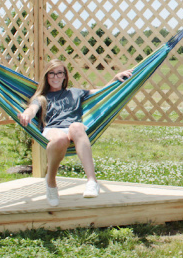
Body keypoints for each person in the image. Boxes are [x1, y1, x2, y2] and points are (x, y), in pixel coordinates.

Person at [18, 59, 132, 207]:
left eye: (60, 73)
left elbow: (102, 93)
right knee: (60, 138)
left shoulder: (75, 93)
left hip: (73, 130)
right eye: (51, 73)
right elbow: (32, 109)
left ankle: (92, 181)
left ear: (65, 76)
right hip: (53, 131)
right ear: (46, 76)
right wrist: (26, 115)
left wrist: (114, 79)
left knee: (77, 126)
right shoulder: (42, 98)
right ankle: (51, 181)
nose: (55, 77)